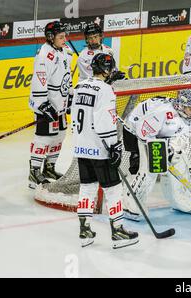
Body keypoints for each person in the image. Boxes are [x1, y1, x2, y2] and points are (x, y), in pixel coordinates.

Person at [71, 53, 138, 249]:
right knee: (113, 188)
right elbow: (104, 122)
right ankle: (117, 231)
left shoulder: (80, 86)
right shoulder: (106, 90)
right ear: (107, 70)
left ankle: (84, 231)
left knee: (87, 187)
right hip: (100, 148)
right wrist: (114, 145)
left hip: (81, 146)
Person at [121, 90, 191, 218]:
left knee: (180, 163)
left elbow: (184, 134)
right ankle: (129, 203)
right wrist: (160, 151)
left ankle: (180, 200)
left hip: (162, 133)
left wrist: (172, 148)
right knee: (149, 170)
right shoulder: (162, 112)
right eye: (190, 108)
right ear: (180, 106)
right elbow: (144, 133)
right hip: (137, 129)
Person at [28, 21, 73, 189]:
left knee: (59, 136)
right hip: (47, 105)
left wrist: (69, 97)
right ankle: (34, 172)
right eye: (60, 37)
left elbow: (66, 78)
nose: (64, 39)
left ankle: (49, 168)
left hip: (59, 105)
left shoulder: (63, 51)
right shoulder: (44, 56)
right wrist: (43, 105)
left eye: (64, 36)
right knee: (43, 139)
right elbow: (39, 82)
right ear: (50, 37)